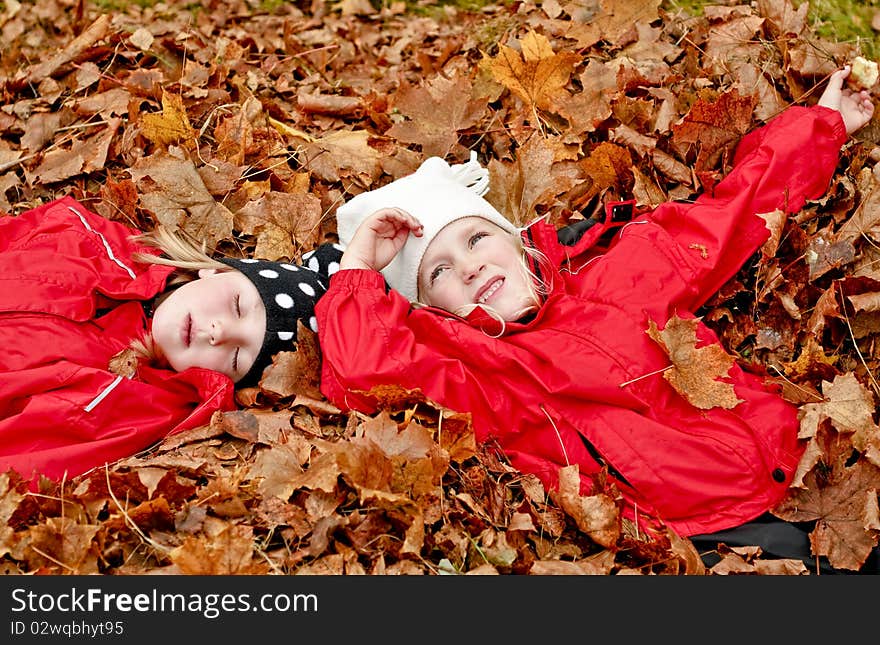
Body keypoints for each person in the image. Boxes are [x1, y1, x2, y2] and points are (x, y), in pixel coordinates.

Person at [315, 67, 877, 572]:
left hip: (796, 455)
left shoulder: (612, 275)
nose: (469, 267)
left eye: (477, 238)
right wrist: (359, 268)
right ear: (435, 312)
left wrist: (822, 125)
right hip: (715, 533)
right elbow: (369, 369)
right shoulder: (483, 374)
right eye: (438, 271)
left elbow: (726, 217)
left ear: (517, 244)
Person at [0, 197, 334, 488]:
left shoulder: (134, 406)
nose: (219, 332)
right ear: (218, 272)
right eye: (237, 305)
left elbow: (26, 455)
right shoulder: (102, 245)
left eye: (236, 357)